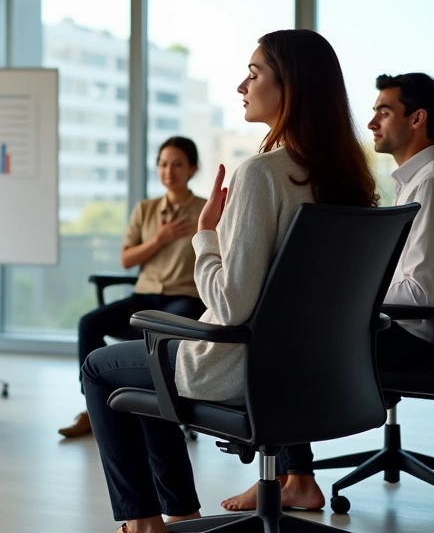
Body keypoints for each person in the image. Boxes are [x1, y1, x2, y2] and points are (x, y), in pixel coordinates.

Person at [81, 29, 378, 533]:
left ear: (291, 88)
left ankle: (144, 521)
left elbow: (232, 304)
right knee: (151, 361)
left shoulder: (263, 174)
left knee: (101, 366)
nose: (242, 85)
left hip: (245, 368)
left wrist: (204, 236)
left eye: (255, 73)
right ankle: (179, 513)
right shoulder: (348, 177)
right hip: (322, 374)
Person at [220, 72, 434, 513]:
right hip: (408, 332)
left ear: (417, 119)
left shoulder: (432, 183)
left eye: (384, 111)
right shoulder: (419, 180)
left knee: (286, 340)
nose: (372, 122)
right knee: (297, 327)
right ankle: (293, 475)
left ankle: (291, 475)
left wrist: (348, 293)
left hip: (411, 340)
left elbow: (417, 292)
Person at [59, 136, 208, 439]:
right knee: (88, 323)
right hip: (146, 294)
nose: (169, 171)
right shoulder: (145, 210)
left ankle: (155, 411)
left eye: (177, 164)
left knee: (158, 332)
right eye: (163, 164)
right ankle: (94, 404)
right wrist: (159, 239)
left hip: (185, 296)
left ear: (192, 168)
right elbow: (127, 259)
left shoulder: (206, 211)